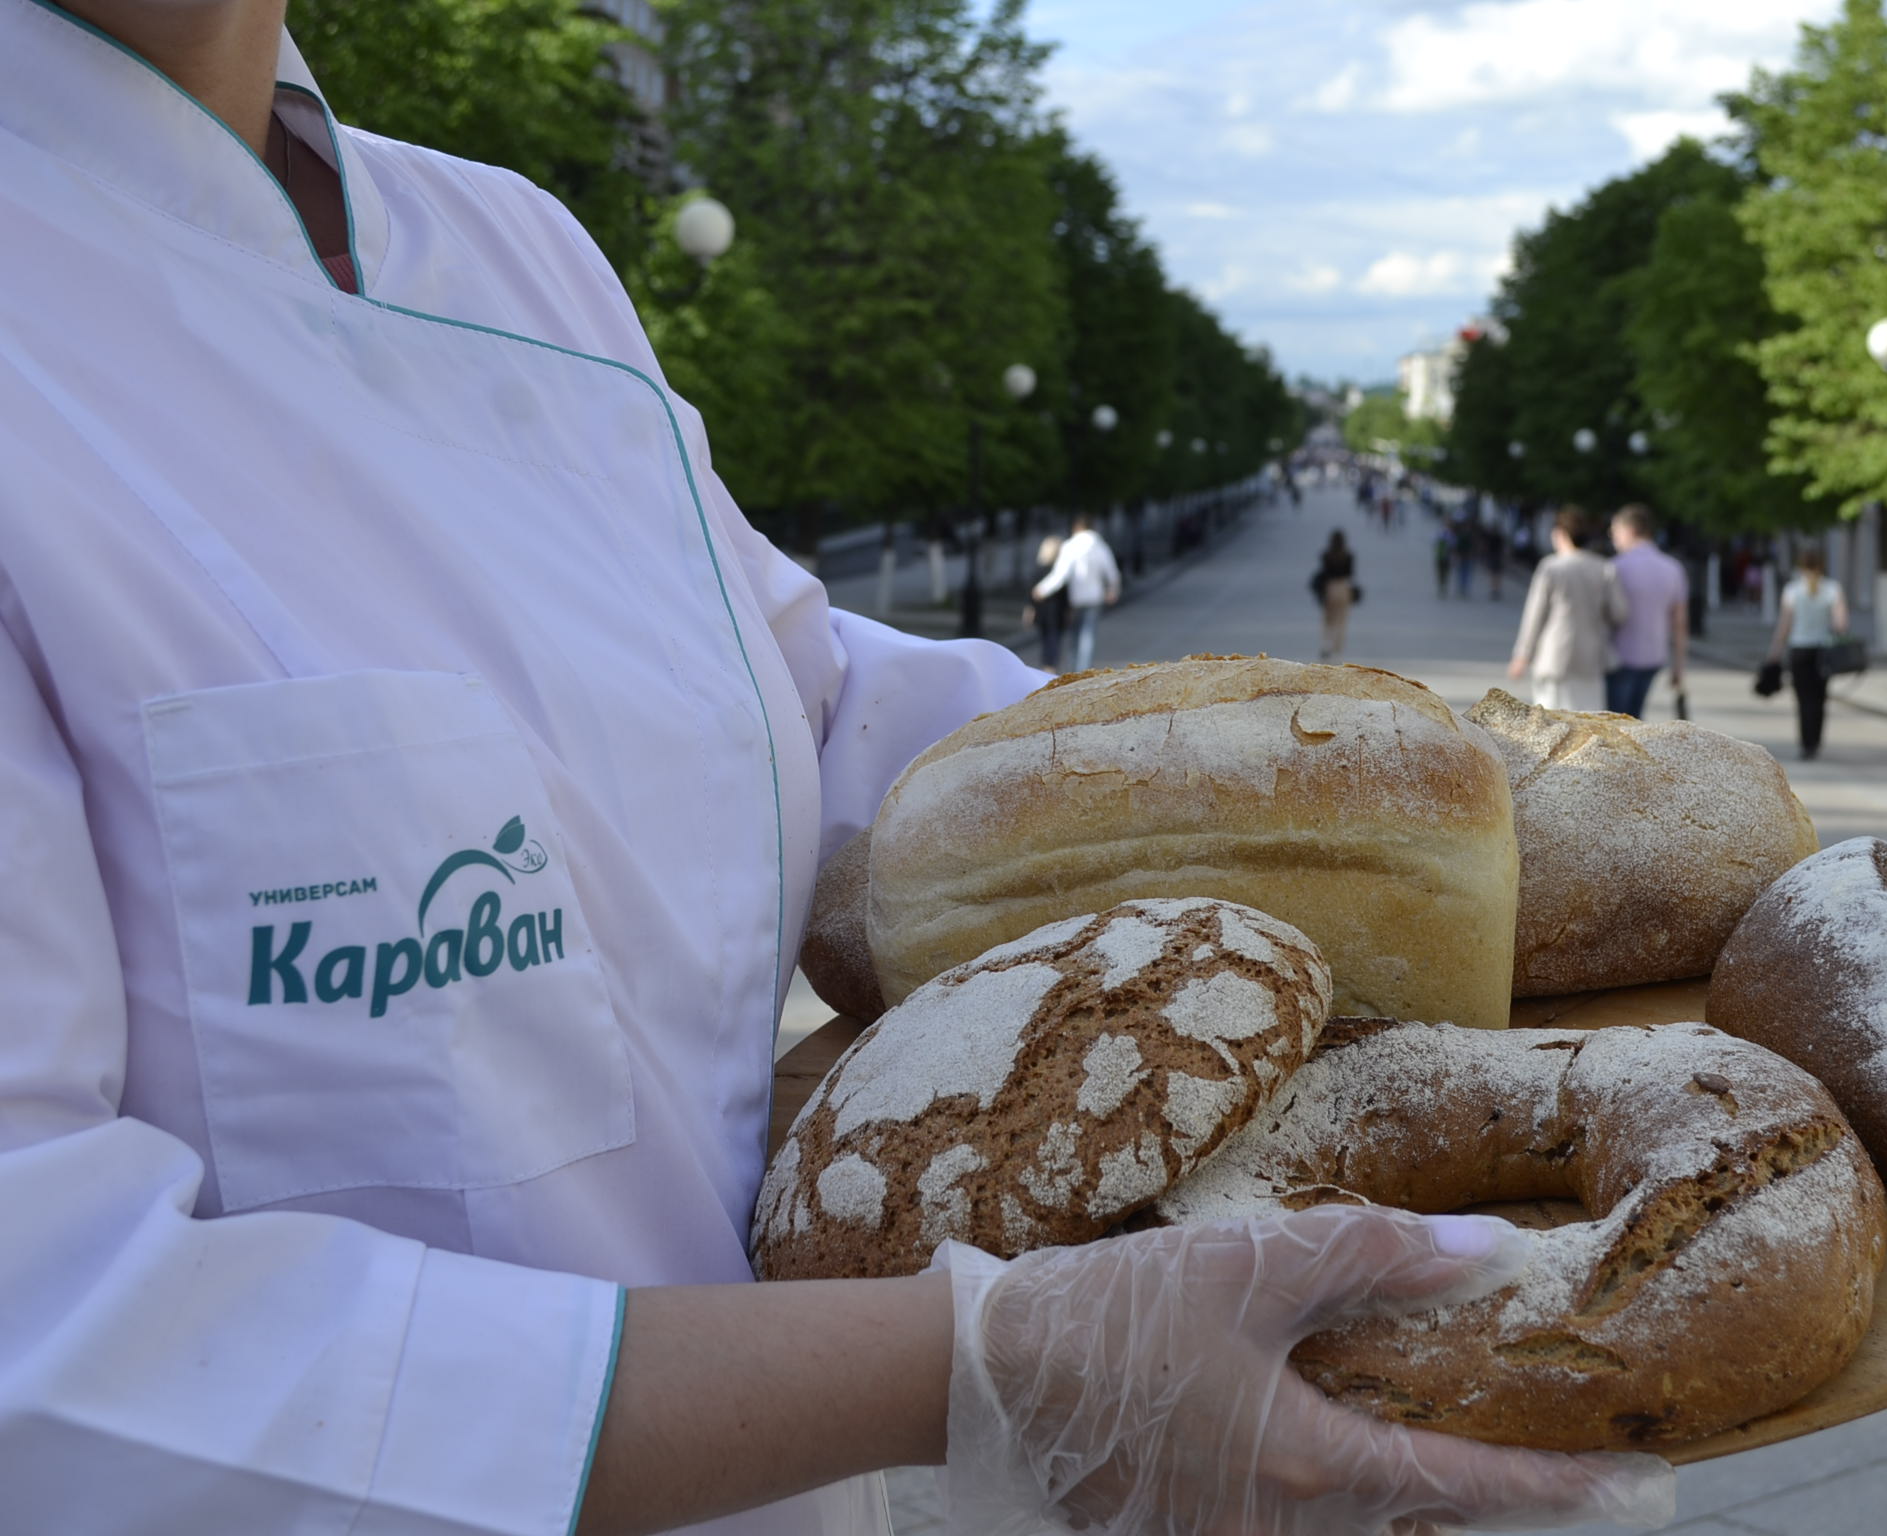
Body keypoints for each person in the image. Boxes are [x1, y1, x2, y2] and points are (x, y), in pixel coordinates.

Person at [0, 6, 1670, 1535]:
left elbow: (795, 705)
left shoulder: (506, 248)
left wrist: (1421, 791)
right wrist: (961, 1371)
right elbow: (48, 1348)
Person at [1507, 507, 1627, 712]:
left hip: (1554, 655)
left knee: (1552, 719)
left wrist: (1522, 655)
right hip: (1591, 656)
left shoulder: (1551, 567)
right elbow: (1620, 612)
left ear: (1561, 534)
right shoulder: (1604, 568)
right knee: (1589, 720)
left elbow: (1535, 615)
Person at [1767, 547, 1852, 760]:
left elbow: (1784, 627)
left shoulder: (1792, 590)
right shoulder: (1833, 589)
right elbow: (1841, 624)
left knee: (1803, 699)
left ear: (1801, 567)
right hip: (1823, 652)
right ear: (1821, 566)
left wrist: (1774, 654)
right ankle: (1815, 742)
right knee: (1820, 698)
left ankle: (1806, 743)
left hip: (1799, 650)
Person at [1603, 505, 1688, 719]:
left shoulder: (1615, 567)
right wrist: (1678, 666)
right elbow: (1679, 622)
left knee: (1614, 722)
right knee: (1635, 719)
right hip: (1654, 655)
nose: (1612, 537)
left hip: (1619, 655)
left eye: (1615, 531)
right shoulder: (1673, 568)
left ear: (1629, 529)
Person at [1033, 515, 1123, 672]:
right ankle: (1084, 669)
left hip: (1076, 598)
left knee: (1075, 636)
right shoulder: (1100, 546)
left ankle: (1074, 669)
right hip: (1095, 598)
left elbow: (1060, 575)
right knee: (1088, 636)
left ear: (1076, 528)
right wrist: (1113, 590)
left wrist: (1042, 589)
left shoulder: (1070, 546)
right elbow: (1112, 573)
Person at [1027, 533, 1070, 671]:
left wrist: (1030, 609)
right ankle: (1051, 667)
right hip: (1056, 612)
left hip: (1043, 612)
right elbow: (1066, 594)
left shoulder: (1039, 569)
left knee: (1046, 641)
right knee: (1054, 641)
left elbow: (1032, 593)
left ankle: (1047, 665)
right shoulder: (1059, 570)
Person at [1316, 529, 1357, 660]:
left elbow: (1323, 573)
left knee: (1328, 619)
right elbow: (1350, 574)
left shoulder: (1326, 555)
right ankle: (1337, 648)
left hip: (1330, 587)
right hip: (1343, 587)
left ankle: (1326, 645)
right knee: (1341, 619)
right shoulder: (1348, 556)